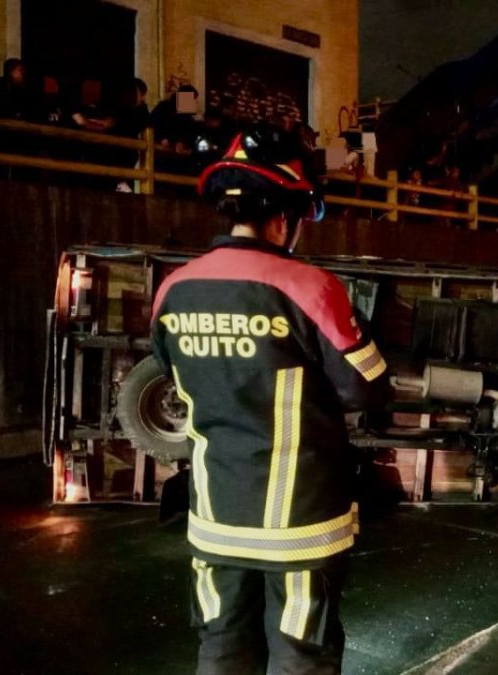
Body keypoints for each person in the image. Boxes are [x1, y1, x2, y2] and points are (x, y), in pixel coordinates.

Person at [150, 125, 388, 674]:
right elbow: (365, 388)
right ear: (286, 216)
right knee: (302, 653)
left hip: (215, 514)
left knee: (222, 644)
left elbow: (171, 370)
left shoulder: (174, 289)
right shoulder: (309, 287)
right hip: (300, 521)